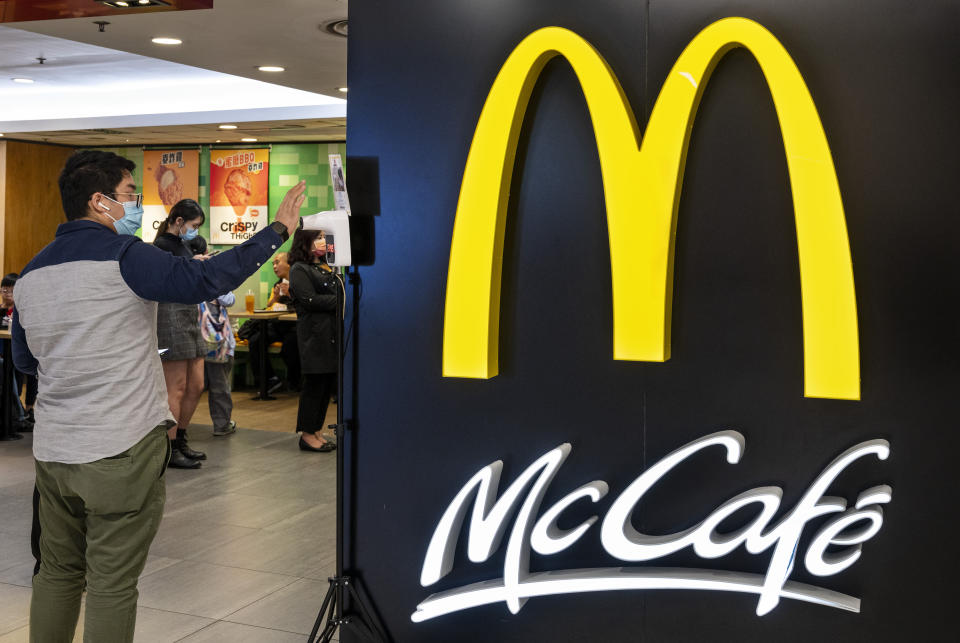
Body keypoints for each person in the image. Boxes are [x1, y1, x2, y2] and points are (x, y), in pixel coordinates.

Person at [12, 149, 305, 643]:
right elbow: (204, 279)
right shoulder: (125, 257)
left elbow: (24, 362)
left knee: (58, 572)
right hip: (120, 446)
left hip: (55, 451)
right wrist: (276, 232)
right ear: (99, 202)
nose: (137, 206)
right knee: (111, 582)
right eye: (131, 195)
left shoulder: (31, 273)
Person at [153, 199, 210, 468]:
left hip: (189, 312)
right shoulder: (162, 245)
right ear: (178, 221)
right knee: (175, 387)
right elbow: (168, 277)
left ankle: (182, 438)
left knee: (196, 384)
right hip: (170, 314)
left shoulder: (183, 245)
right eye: (193, 225)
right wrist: (193, 264)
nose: (195, 231)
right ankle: (169, 447)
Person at [288, 229, 340, 452]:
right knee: (314, 385)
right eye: (317, 237)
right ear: (305, 241)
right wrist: (340, 300)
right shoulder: (299, 269)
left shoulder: (325, 267)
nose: (322, 241)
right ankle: (307, 434)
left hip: (330, 335)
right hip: (313, 336)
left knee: (325, 386)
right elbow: (310, 300)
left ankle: (316, 430)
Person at [1, 273, 32, 432]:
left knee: (15, 367)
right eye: (4, 290)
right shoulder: (1, 310)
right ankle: (14, 412)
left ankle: (21, 411)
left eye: (10, 291)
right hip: (4, 352)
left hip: (16, 351)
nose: (6, 294)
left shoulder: (19, 311)